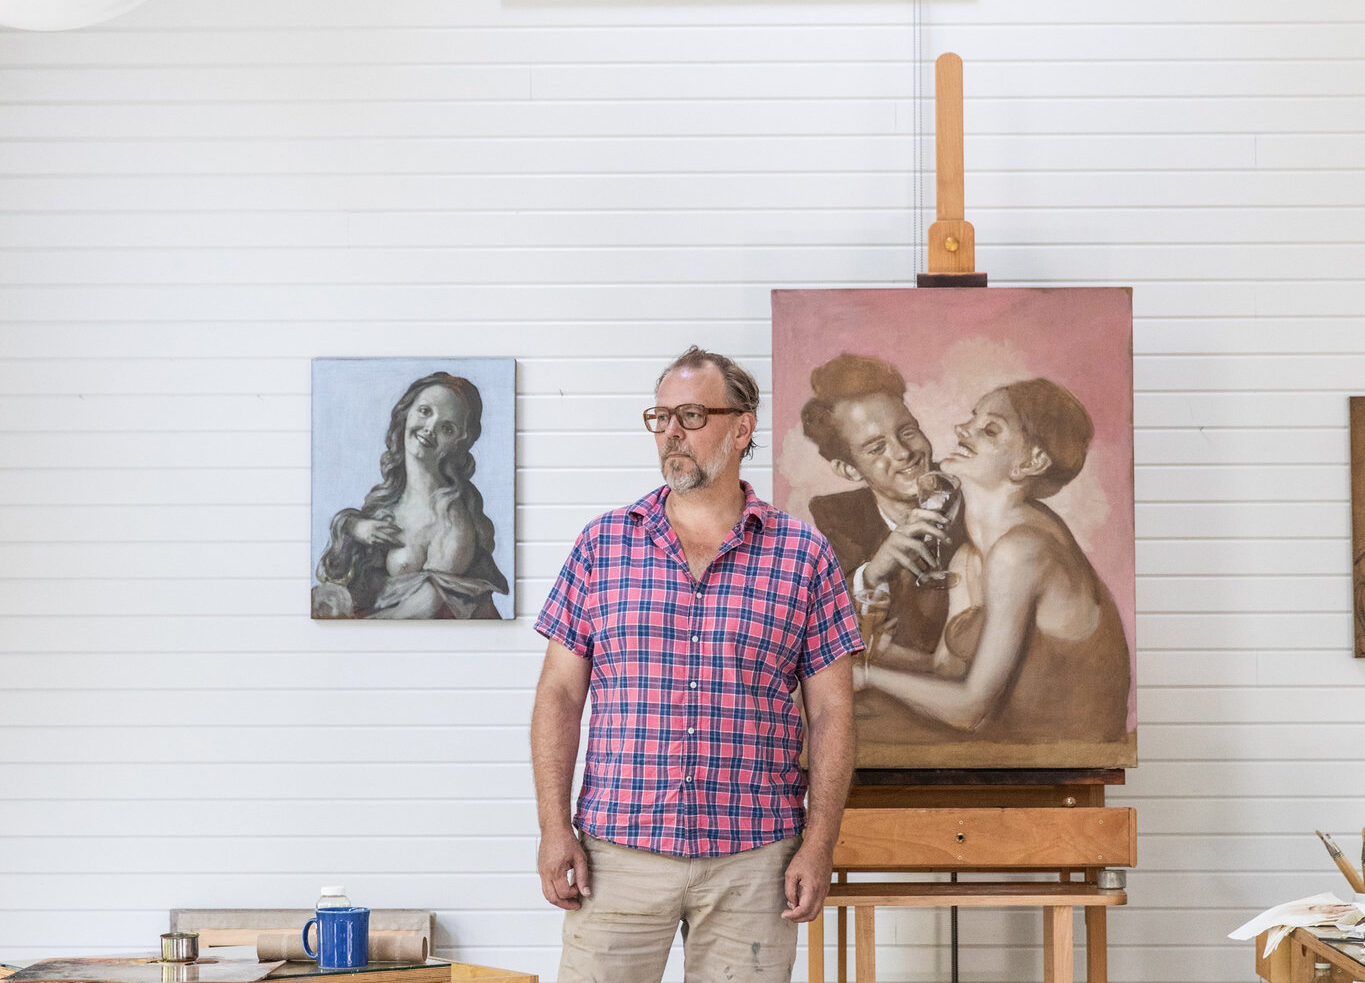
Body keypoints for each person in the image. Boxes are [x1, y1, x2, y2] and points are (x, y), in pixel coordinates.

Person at [530, 346, 859, 983]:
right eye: (660, 417)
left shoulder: (804, 555)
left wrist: (820, 844)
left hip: (755, 859)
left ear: (742, 428)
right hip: (616, 852)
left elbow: (833, 712)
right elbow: (559, 696)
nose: (671, 433)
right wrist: (553, 828)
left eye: (691, 415)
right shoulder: (602, 546)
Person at [859, 378, 1131, 744]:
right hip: (1008, 742)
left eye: (989, 430)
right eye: (973, 419)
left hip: (1058, 753)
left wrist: (867, 676)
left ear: (1031, 461)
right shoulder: (969, 558)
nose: (961, 429)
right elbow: (946, 670)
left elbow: (970, 709)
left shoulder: (1020, 552)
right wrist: (883, 654)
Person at [800, 353, 958, 669]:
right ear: (848, 469)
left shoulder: (972, 490)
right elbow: (816, 629)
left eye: (907, 431)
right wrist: (871, 575)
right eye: (877, 447)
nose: (903, 453)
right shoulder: (836, 516)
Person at [312, 371, 508, 620]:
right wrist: (354, 526)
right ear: (406, 413)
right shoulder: (389, 499)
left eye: (447, 428)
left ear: (459, 443)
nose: (430, 428)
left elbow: (434, 604)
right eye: (425, 411)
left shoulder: (455, 521)